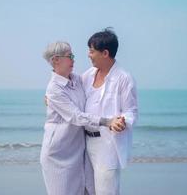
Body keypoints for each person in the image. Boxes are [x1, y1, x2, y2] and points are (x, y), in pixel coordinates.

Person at [40, 41, 126, 195]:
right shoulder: (53, 89)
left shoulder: (78, 80)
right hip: (58, 153)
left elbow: (99, 79)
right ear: (55, 60)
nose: (74, 59)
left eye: (73, 55)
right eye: (69, 56)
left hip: (79, 150)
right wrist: (107, 121)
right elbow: (76, 117)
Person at [82, 28, 138, 195]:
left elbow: (131, 111)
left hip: (107, 145)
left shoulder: (124, 78)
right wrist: (50, 97)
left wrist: (122, 121)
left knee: (106, 191)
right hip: (84, 142)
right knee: (86, 190)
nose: (88, 54)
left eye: (92, 51)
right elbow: (71, 88)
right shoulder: (88, 75)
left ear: (105, 53)